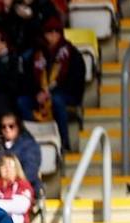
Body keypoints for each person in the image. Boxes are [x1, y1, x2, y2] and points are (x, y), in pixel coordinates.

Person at [27, 19, 85, 150]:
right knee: (21, 102)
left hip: (67, 94)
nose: (53, 35)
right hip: (40, 94)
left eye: (56, 32)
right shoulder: (37, 54)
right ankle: (31, 139)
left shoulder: (72, 54)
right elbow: (28, 79)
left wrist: (50, 92)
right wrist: (37, 92)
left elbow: (76, 81)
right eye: (49, 32)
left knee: (57, 100)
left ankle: (64, 142)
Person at [0, 152, 34, 223]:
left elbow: (20, 206)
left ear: (16, 168)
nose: (7, 168)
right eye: (3, 165)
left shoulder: (23, 185)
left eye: (10, 165)